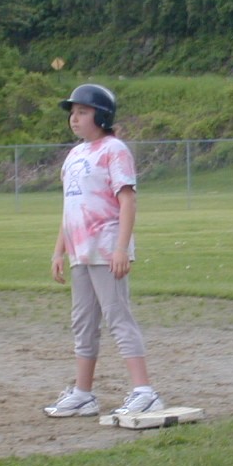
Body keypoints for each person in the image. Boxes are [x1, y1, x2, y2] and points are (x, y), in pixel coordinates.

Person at [44, 84, 165, 418]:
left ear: (102, 115)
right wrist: (59, 251)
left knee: (117, 317)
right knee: (83, 323)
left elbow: (127, 199)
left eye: (83, 111)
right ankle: (83, 394)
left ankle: (145, 391)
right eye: (73, 112)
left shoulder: (114, 149)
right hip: (80, 251)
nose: (74, 118)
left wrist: (122, 248)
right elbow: (70, 207)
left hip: (107, 247)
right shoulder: (74, 155)